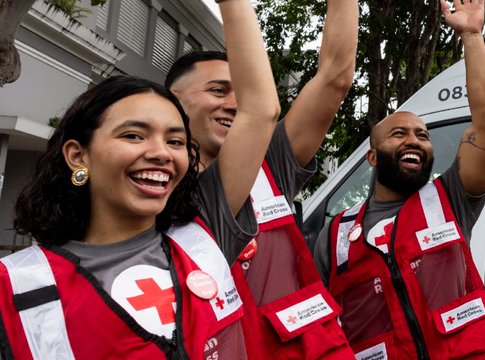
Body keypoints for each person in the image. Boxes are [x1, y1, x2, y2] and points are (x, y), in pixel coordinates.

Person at [0, 0, 280, 356]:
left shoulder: (205, 235)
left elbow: (261, 110)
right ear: (78, 155)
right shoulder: (17, 285)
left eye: (175, 141)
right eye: (133, 135)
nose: (161, 153)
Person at [163, 0, 357, 356]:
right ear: (171, 101)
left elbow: (335, 79)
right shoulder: (148, 195)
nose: (236, 105)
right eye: (218, 91)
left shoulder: (270, 164)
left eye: (244, 94)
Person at [313, 0, 485, 358]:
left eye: (422, 135)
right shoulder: (335, 235)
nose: (414, 140)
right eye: (398, 134)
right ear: (372, 157)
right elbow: (321, 328)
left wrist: (472, 36)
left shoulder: (452, 199)